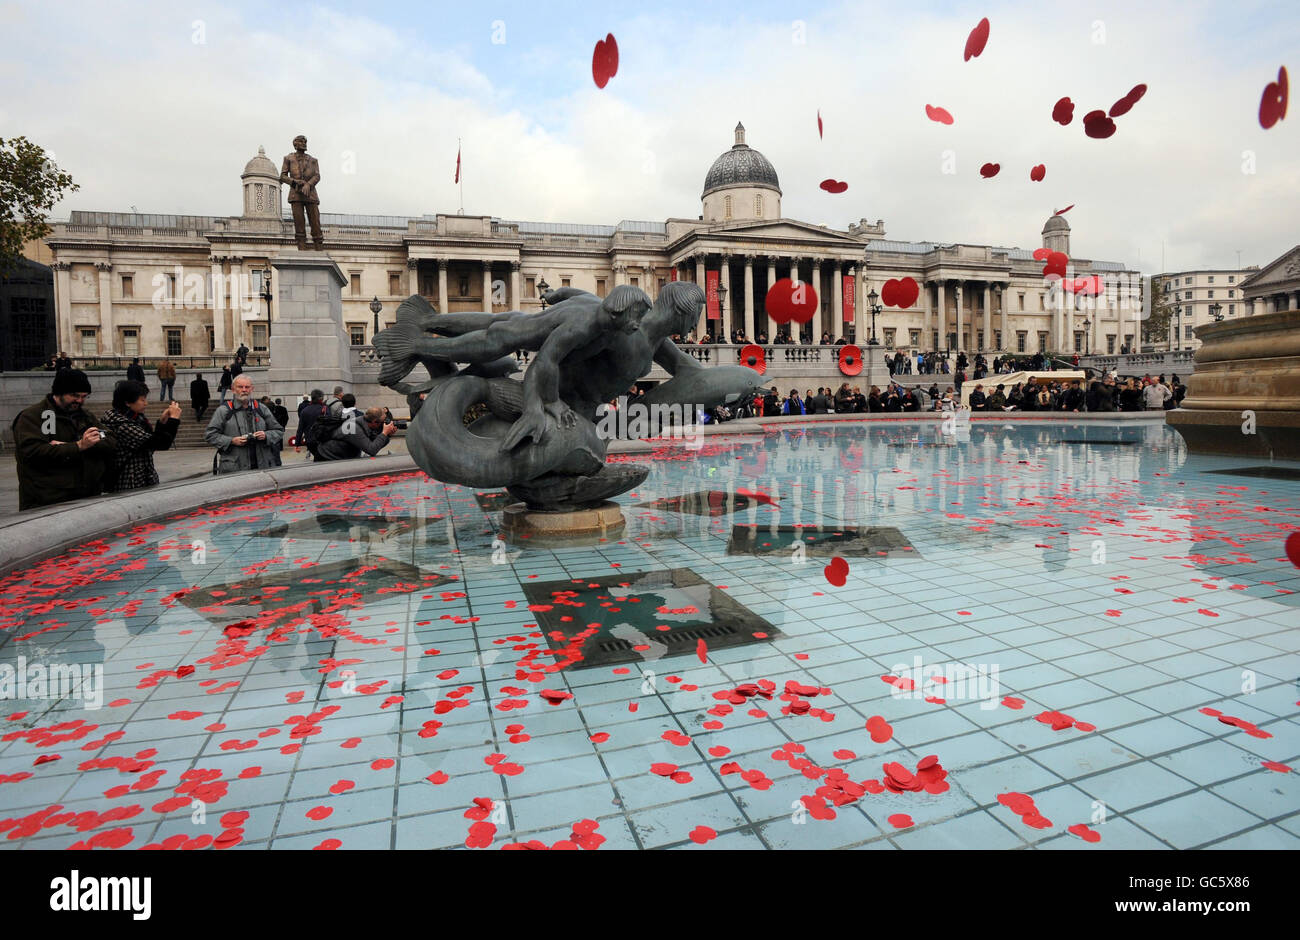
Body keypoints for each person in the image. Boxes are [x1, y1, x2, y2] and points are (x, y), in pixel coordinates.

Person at [13, 369, 116, 510]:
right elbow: (33, 451)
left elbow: (109, 437)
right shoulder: (34, 416)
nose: (79, 401)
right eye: (74, 395)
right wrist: (78, 446)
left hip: (86, 494)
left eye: (84, 396)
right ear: (59, 392)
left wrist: (83, 443)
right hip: (47, 499)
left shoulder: (85, 416)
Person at [100, 380, 180, 492]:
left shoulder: (135, 419)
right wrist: (173, 420)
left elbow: (150, 443)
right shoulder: (121, 424)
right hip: (129, 483)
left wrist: (162, 423)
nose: (146, 403)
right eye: (142, 400)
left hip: (142, 478)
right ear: (127, 402)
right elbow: (160, 443)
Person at [205, 375, 283, 473]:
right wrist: (231, 441)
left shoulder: (261, 409)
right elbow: (210, 435)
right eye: (240, 387)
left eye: (247, 387)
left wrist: (266, 435)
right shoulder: (223, 411)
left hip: (263, 467)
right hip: (234, 469)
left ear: (252, 389)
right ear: (233, 390)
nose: (244, 390)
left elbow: (279, 430)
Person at [316, 406, 397, 461]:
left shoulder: (363, 423)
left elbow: (375, 442)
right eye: (382, 422)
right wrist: (384, 433)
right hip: (327, 456)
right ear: (374, 422)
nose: (384, 424)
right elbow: (371, 450)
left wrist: (387, 434)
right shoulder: (353, 428)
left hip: (340, 456)